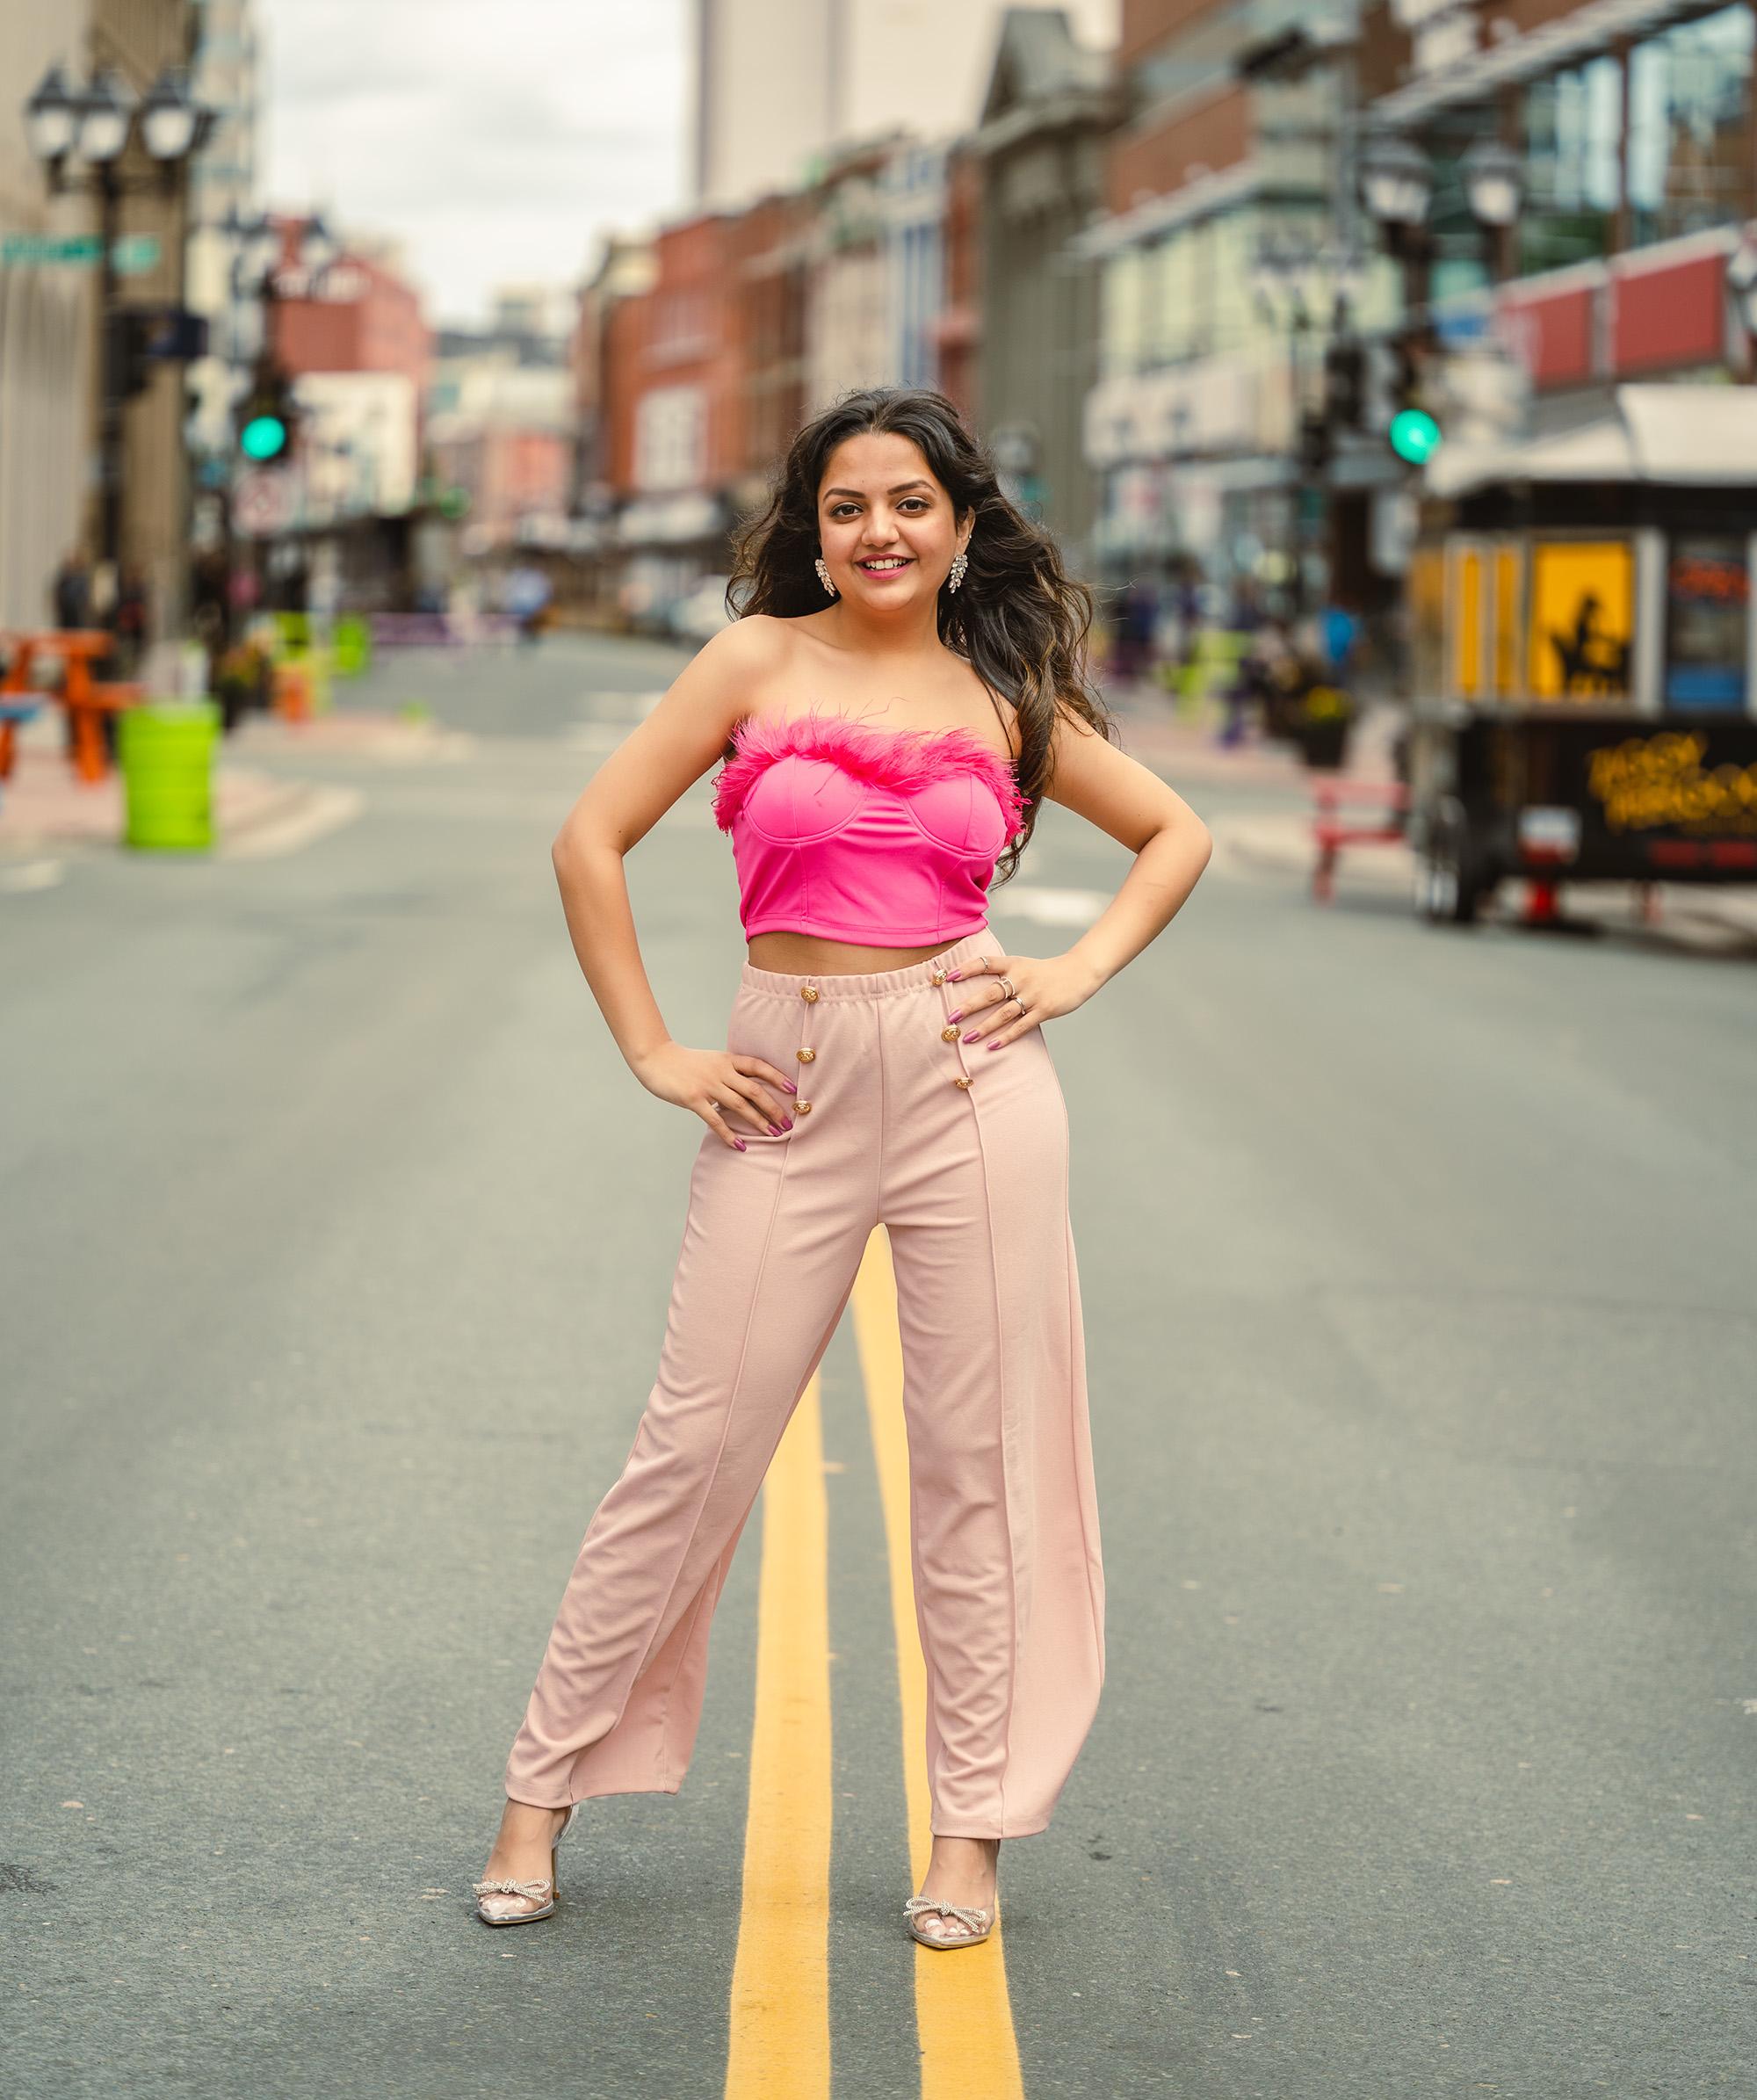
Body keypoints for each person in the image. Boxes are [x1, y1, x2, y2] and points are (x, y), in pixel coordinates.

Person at [473, 386, 1213, 1949]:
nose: (879, 531)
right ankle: (539, 1793)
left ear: (959, 526)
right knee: (694, 1445)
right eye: (846, 506)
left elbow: (1175, 834)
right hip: (784, 1084)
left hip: (972, 1078)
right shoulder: (756, 660)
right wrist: (656, 1049)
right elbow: (588, 838)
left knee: (981, 1466)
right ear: (813, 530)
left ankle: (971, 1836)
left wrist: (1069, 976)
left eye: (909, 504)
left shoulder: (1001, 692)